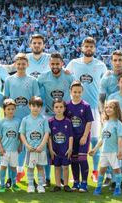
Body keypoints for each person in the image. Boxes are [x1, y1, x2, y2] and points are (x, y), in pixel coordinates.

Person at [66, 37, 107, 183]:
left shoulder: (101, 65)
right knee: (75, 140)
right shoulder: (73, 63)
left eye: (91, 46)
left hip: (94, 108)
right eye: (86, 46)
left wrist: (103, 110)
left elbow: (105, 87)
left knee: (95, 140)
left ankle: (95, 171)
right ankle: (75, 174)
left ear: (94, 48)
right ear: (81, 48)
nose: (88, 48)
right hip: (76, 109)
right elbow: (65, 77)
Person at [38, 52, 74, 186]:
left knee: (63, 145)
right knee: (47, 148)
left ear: (62, 64)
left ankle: (64, 178)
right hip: (48, 115)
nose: (55, 66)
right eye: (52, 64)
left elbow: (77, 87)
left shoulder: (69, 76)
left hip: (64, 115)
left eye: (57, 64)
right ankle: (47, 178)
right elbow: (36, 91)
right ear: (49, 64)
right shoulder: (43, 77)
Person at [4, 53, 40, 182]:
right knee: (13, 146)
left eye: (23, 64)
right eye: (18, 64)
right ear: (15, 64)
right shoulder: (9, 80)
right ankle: (14, 174)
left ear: (27, 65)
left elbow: (37, 100)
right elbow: (6, 100)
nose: (21, 66)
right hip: (13, 118)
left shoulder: (33, 80)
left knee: (29, 146)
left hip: (28, 118)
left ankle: (28, 174)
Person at [90, 100, 122, 196]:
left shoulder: (118, 124)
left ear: (116, 109)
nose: (108, 109)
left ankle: (117, 188)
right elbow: (102, 139)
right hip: (104, 152)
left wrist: (120, 151)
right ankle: (98, 188)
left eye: (111, 107)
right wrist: (95, 149)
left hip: (114, 152)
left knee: (116, 170)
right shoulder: (105, 122)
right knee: (102, 170)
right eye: (107, 107)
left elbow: (120, 139)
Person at [65, 81, 94, 192]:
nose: (76, 94)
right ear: (70, 92)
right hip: (72, 138)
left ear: (82, 92)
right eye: (74, 92)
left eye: (79, 92)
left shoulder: (86, 106)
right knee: (74, 160)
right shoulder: (67, 106)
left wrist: (85, 136)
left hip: (82, 137)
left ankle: (84, 183)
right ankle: (76, 182)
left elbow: (89, 122)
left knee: (82, 159)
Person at [19, 96, 50, 193]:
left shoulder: (44, 119)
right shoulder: (25, 119)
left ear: (41, 108)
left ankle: (40, 185)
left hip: (41, 149)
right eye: (33, 106)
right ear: (29, 106)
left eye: (38, 106)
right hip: (30, 149)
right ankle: (31, 185)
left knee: (40, 167)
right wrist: (27, 145)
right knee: (31, 167)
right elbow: (22, 134)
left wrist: (41, 145)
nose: (35, 108)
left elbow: (46, 133)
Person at [48, 98, 73, 192]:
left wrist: (70, 148)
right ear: (53, 109)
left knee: (66, 167)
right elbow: (49, 137)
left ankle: (66, 185)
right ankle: (57, 185)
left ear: (64, 108)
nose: (59, 109)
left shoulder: (68, 121)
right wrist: (50, 149)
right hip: (55, 149)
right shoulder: (50, 122)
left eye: (61, 107)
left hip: (66, 149)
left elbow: (70, 135)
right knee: (57, 167)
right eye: (56, 107)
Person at [0, 99, 21, 192]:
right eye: (8, 109)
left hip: (14, 149)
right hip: (5, 150)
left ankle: (14, 184)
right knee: (3, 167)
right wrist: (0, 148)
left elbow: (19, 135)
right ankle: (2, 185)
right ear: (4, 110)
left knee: (13, 167)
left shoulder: (18, 121)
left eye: (12, 109)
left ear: (15, 109)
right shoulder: (2, 122)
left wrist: (20, 145)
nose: (11, 111)